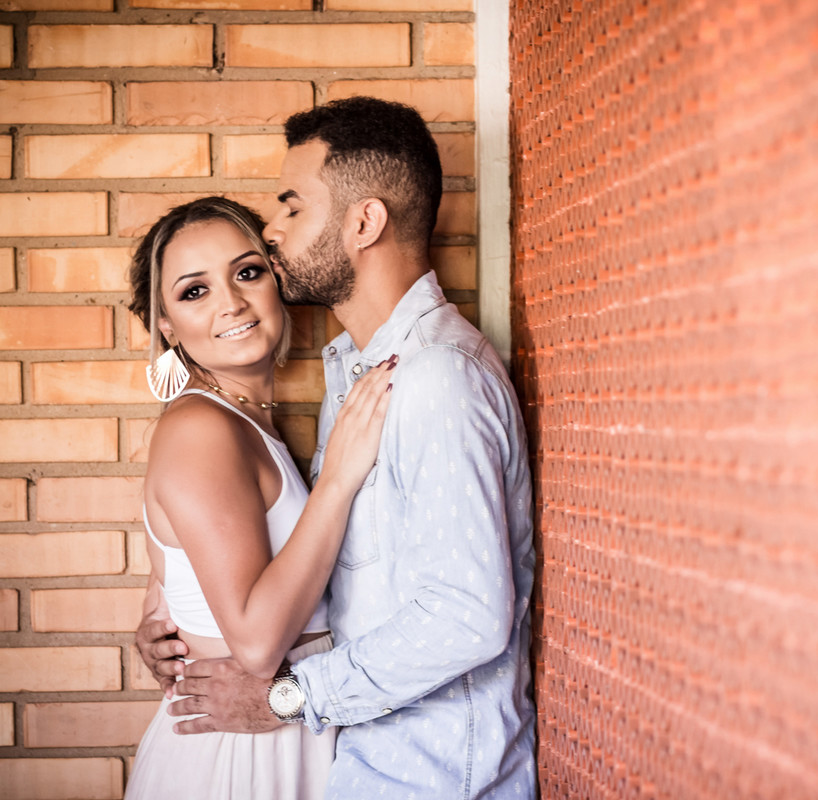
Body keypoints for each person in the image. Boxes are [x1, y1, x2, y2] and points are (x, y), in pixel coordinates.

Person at [135, 97, 538, 798]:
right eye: (195, 291)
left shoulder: (435, 377)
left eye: (292, 208)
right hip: (343, 758)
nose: (273, 230)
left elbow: (467, 616)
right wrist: (170, 613)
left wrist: (290, 697)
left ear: (363, 222)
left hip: (428, 775)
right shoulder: (354, 375)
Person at [124, 196, 394, 799]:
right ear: (167, 326)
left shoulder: (243, 423)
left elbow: (175, 589)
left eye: (246, 272)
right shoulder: (201, 429)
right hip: (239, 757)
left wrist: (159, 628)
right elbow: (254, 643)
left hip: (282, 731)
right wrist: (340, 479)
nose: (232, 302)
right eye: (194, 292)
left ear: (276, 281)